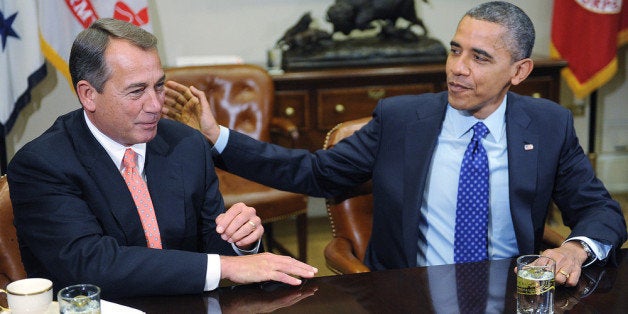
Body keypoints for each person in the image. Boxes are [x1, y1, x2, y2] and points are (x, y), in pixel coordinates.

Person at [163, 1, 627, 288]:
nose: (457, 68)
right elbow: (314, 173)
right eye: (455, 49)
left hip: (512, 292)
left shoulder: (547, 125)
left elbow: (601, 212)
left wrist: (576, 248)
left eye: (480, 57)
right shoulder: (403, 119)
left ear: (519, 72)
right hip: (411, 292)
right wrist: (214, 135)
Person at [7, 18, 317, 299]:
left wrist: (241, 242)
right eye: (136, 91)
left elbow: (211, 246)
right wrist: (225, 268)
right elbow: (90, 265)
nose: (156, 105)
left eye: (159, 86)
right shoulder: (43, 164)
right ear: (88, 94)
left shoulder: (187, 144)